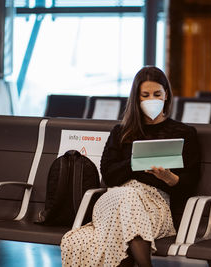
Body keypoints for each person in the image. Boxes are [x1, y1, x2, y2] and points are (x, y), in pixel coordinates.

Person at [61, 66, 200, 267]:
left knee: (76, 240)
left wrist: (170, 178)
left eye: (157, 94)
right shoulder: (121, 132)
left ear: (166, 95)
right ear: (136, 98)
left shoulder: (184, 133)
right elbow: (108, 174)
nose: (152, 99)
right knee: (126, 197)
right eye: (145, 95)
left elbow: (191, 181)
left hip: (154, 207)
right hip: (114, 199)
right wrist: (135, 162)